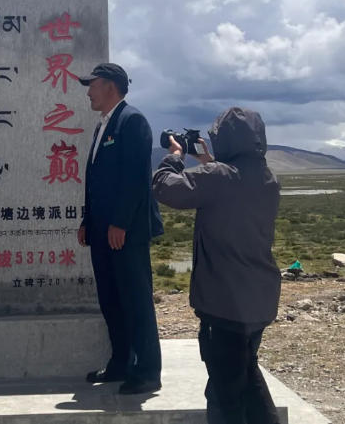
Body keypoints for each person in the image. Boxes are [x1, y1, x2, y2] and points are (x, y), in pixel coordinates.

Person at [152, 107, 282, 423]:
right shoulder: (267, 178)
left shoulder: (219, 177)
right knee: (245, 373)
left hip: (225, 303)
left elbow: (165, 187)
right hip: (258, 298)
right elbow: (230, 186)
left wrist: (175, 156)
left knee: (226, 393)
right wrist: (209, 161)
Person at [77, 63, 164, 395]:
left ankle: (147, 372)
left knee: (135, 300)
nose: (88, 92)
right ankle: (120, 364)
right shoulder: (103, 125)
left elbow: (134, 178)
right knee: (111, 300)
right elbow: (97, 181)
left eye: (93, 85)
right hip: (102, 231)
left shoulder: (132, 121)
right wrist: (88, 221)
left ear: (110, 86)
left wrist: (120, 222)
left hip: (125, 232)